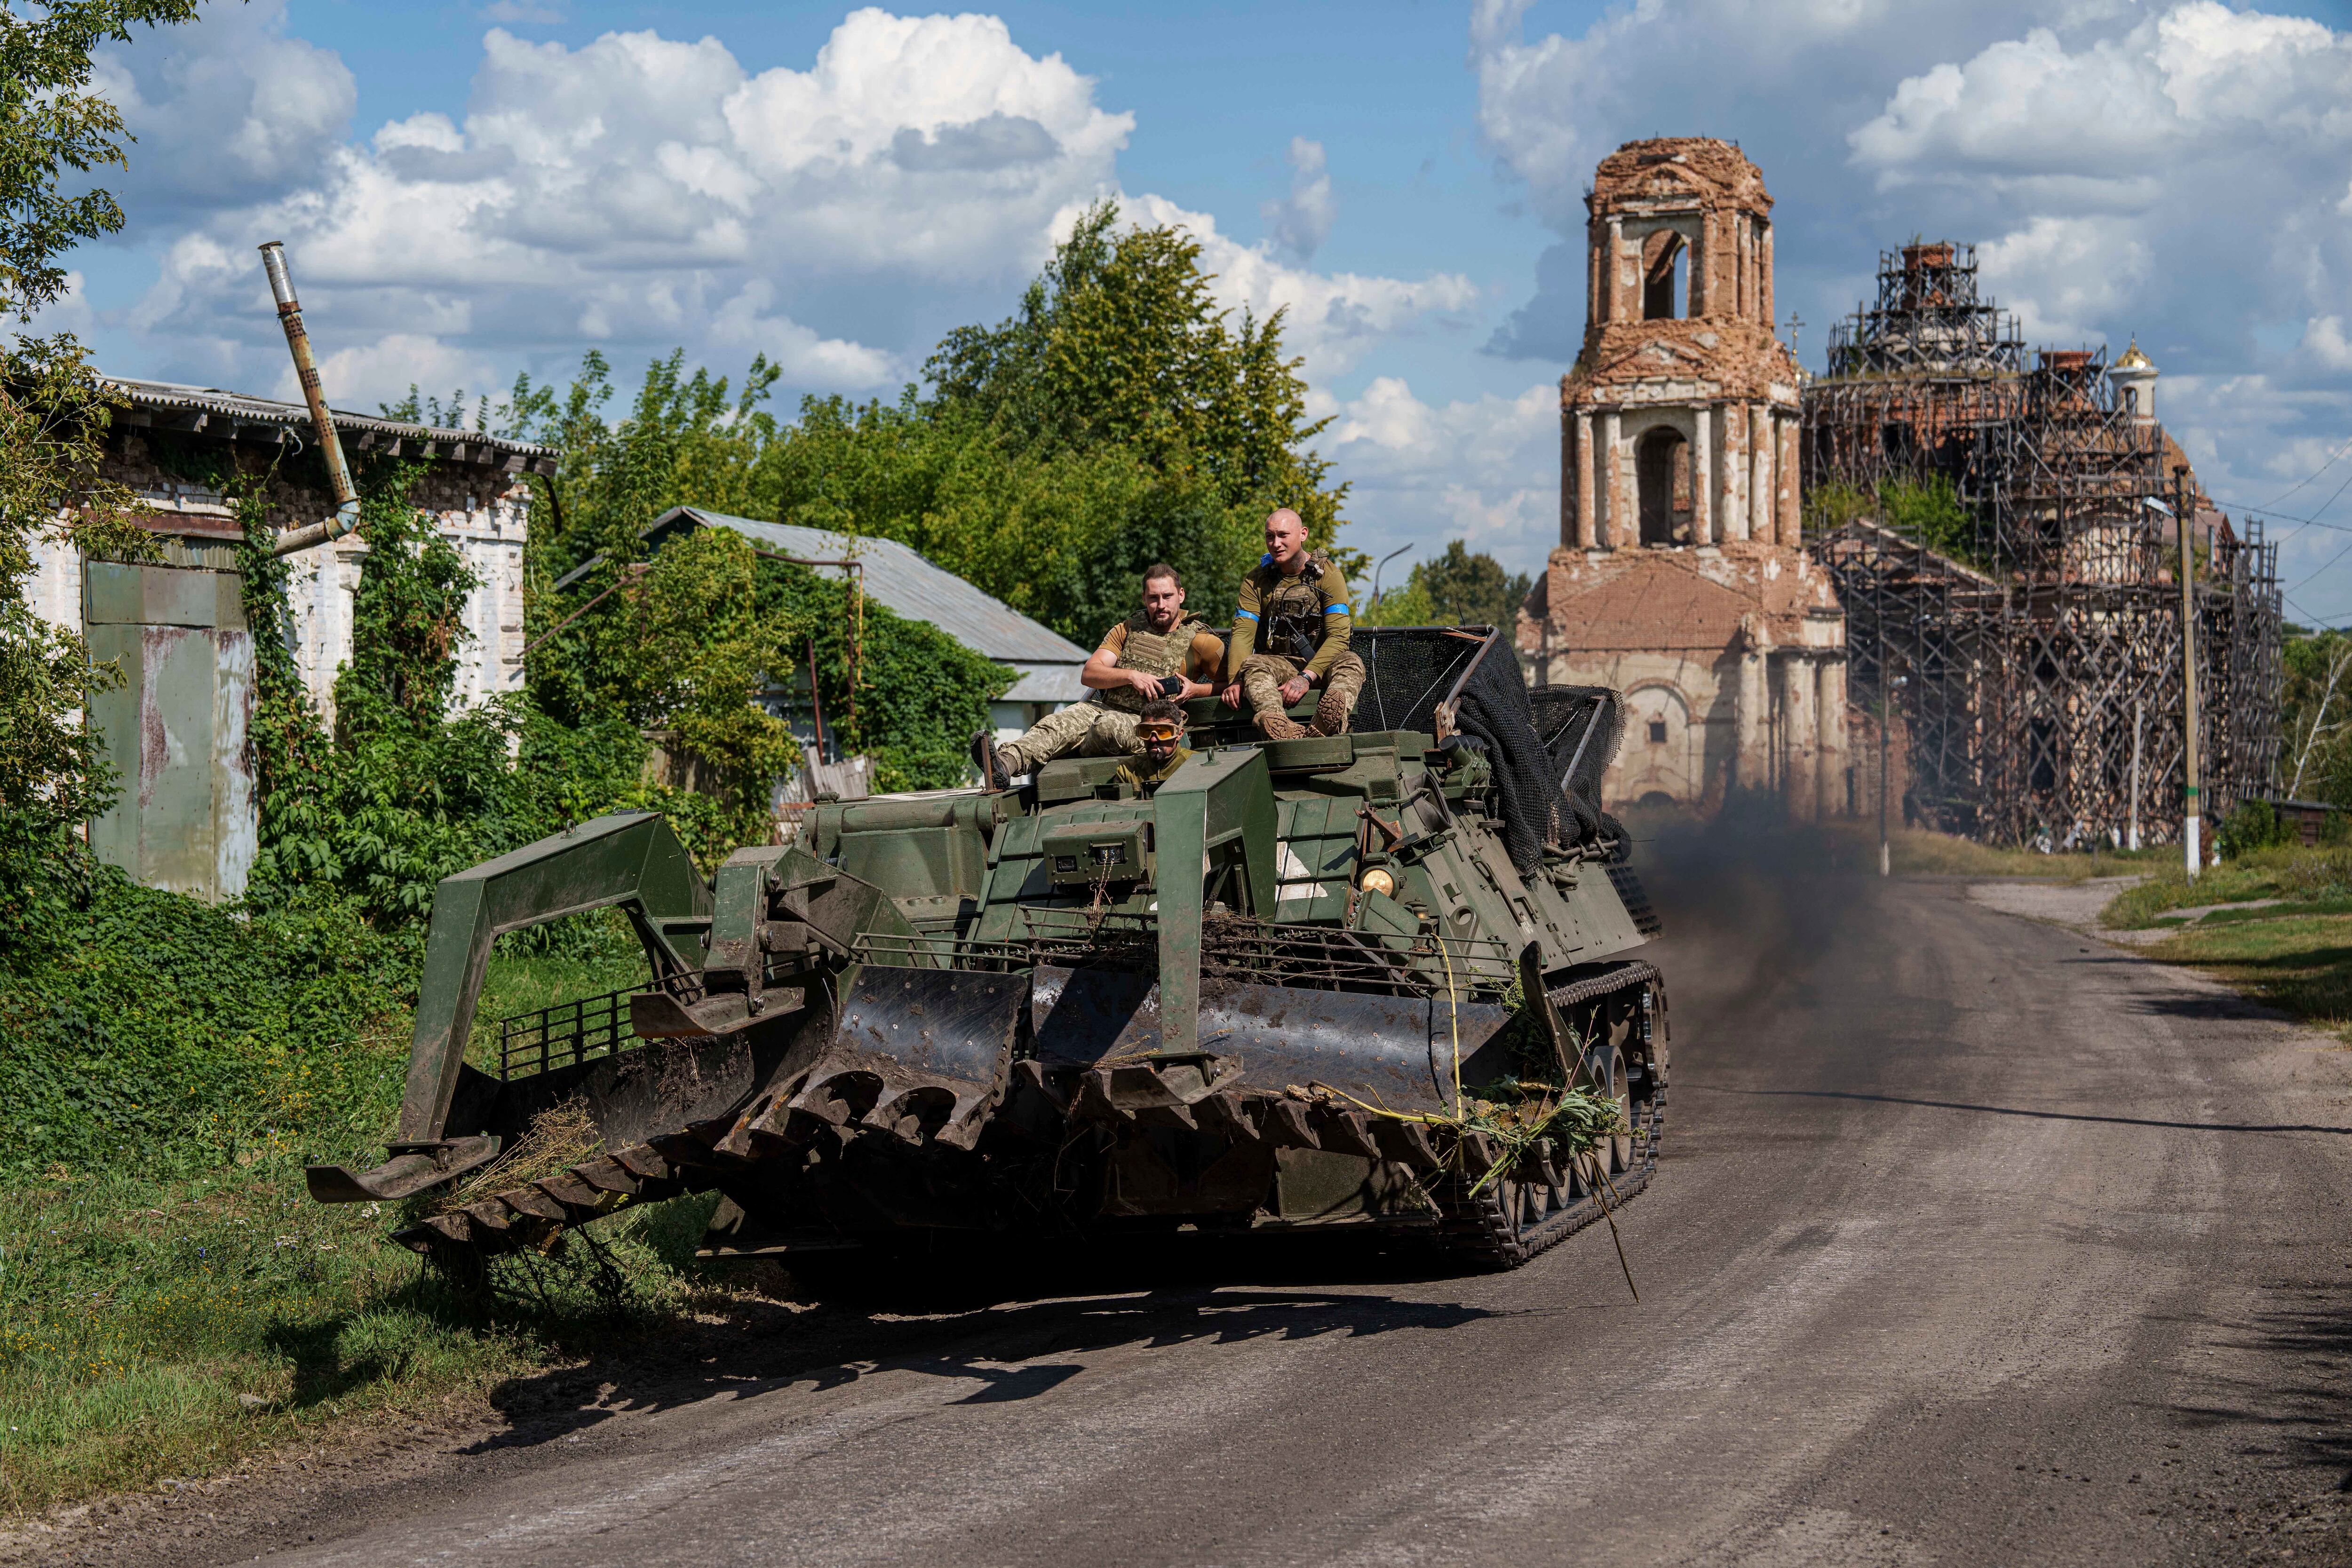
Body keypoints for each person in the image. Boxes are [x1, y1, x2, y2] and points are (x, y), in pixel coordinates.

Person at [973, 564, 1224, 788]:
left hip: (1153, 729)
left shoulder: (1201, 641)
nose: (1161, 605)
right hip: (1105, 708)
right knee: (1061, 722)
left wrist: (1196, 689)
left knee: (1106, 727)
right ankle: (1005, 764)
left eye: (1168, 597)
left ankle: (1065, 751)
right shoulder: (1127, 629)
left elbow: (1234, 686)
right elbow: (1090, 673)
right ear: (1144, 598)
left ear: (1181, 595)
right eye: (1153, 598)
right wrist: (1130, 676)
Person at [1219, 507, 1365, 740]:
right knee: (1253, 665)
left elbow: (1339, 637)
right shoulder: (1256, 581)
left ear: (1303, 534)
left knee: (1351, 662)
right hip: (1279, 665)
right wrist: (1236, 681)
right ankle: (1278, 726)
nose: (1276, 543)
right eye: (1270, 536)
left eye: (1283, 535)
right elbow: (1242, 634)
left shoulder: (1328, 575)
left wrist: (1306, 677)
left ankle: (1328, 723)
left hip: (1321, 666)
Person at [1112, 699, 1192, 794]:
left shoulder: (1195, 765)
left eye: (1163, 732)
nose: (1153, 739)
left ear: (1179, 734)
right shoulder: (1128, 770)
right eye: (1147, 731)